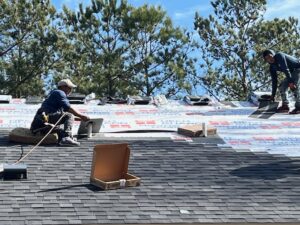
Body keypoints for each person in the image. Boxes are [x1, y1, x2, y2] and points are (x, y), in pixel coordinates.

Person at [30, 78, 90, 146]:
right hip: (43, 123)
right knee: (69, 115)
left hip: (39, 128)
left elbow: (64, 117)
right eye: (70, 88)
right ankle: (66, 138)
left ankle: (64, 138)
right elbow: (68, 109)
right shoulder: (59, 92)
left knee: (61, 130)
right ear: (63, 87)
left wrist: (81, 119)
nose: (71, 90)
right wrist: (81, 116)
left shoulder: (54, 98)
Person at [263, 49, 300, 114]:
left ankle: (299, 107)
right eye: (267, 58)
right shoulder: (272, 67)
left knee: (294, 86)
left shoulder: (279, 56)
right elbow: (274, 81)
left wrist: (291, 82)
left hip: (297, 68)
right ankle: (285, 106)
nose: (269, 59)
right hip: (291, 72)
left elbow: (286, 69)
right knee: (282, 86)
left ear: (273, 54)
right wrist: (273, 95)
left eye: (270, 56)